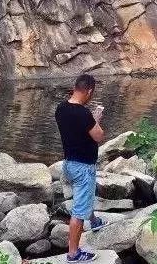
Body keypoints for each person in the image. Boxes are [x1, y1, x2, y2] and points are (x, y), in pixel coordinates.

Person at [55, 73, 107, 263]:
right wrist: (97, 119)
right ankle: (73, 254)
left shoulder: (60, 109)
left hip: (68, 163)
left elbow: (76, 130)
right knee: (79, 210)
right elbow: (98, 136)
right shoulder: (84, 114)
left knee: (85, 195)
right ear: (89, 91)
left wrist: (90, 121)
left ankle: (94, 221)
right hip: (83, 166)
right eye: (92, 94)